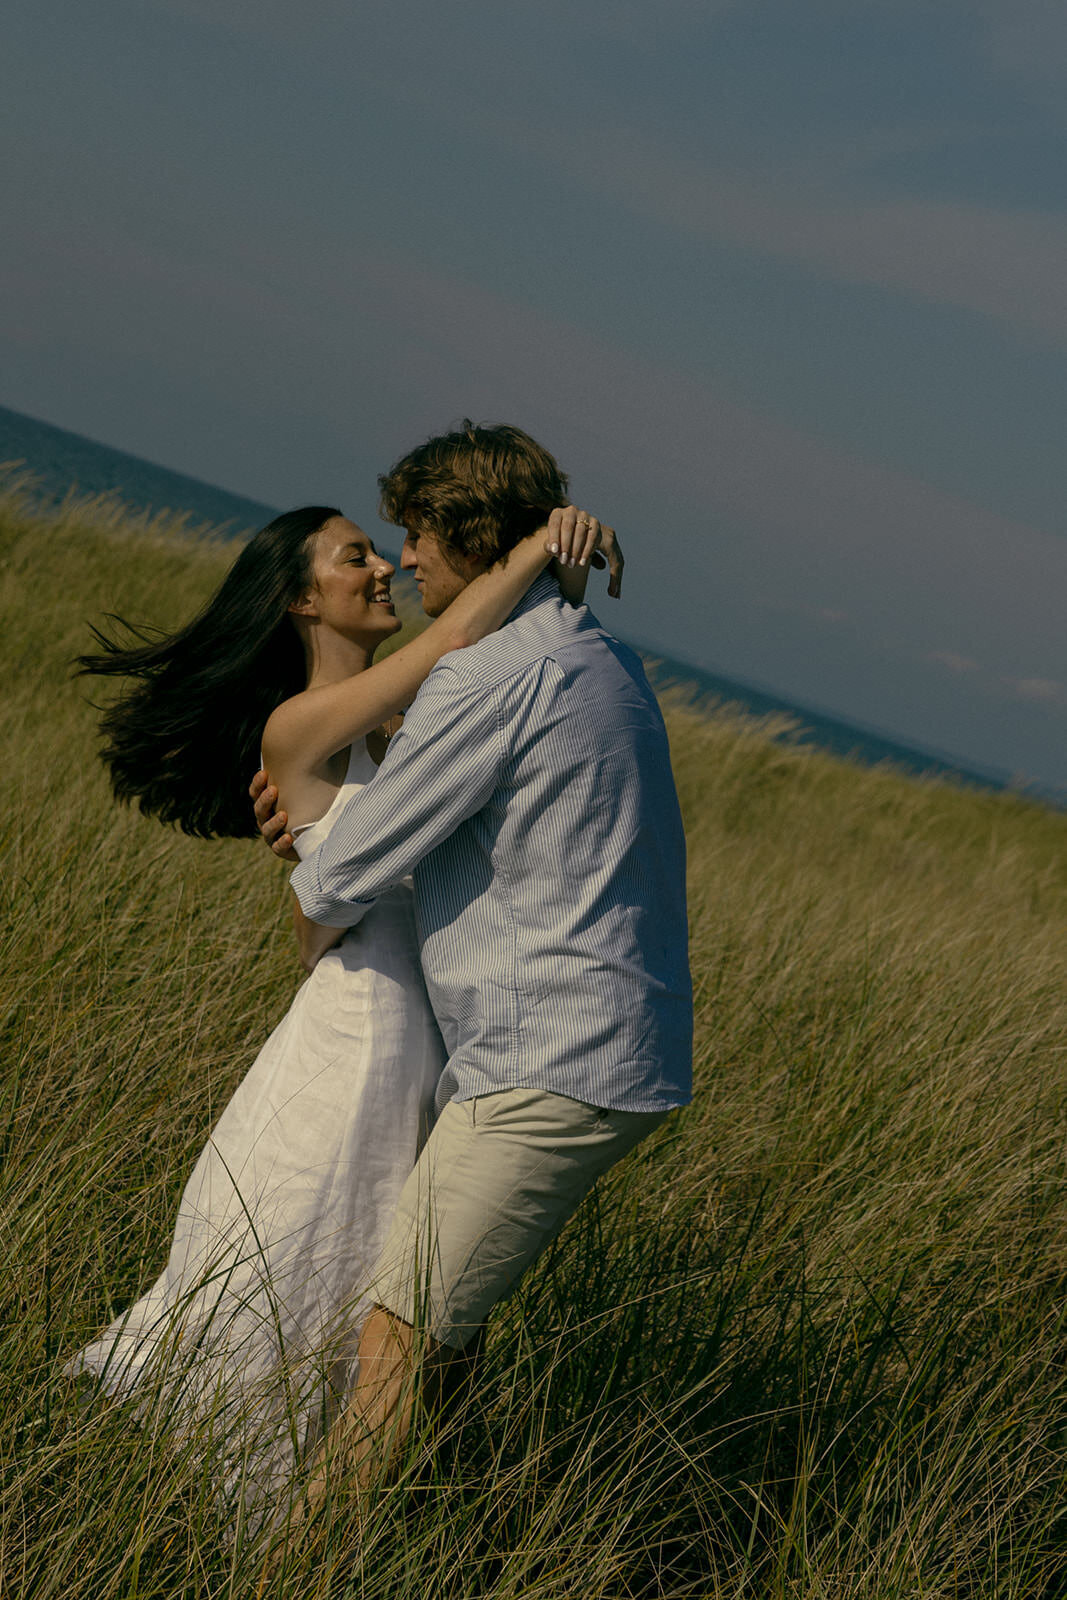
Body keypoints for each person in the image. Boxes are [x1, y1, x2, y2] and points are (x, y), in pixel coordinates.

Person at [69, 490, 612, 1521]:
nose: (380, 571)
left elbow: (504, 695)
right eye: (352, 558)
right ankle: (196, 1522)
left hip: (430, 1057)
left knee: (383, 1310)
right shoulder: (297, 727)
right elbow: (459, 632)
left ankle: (328, 1521)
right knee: (293, 1276)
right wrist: (542, 537)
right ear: (299, 604)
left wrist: (566, 580)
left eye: (379, 553)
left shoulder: (416, 723)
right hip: (350, 1051)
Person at [252, 421, 693, 1528]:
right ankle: (453, 1537)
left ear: (468, 537)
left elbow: (341, 871)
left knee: (395, 1337)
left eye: (414, 534)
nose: (403, 558)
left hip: (544, 1066)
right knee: (445, 1345)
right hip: (597, 1054)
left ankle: (285, 1573)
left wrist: (309, 823)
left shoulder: (494, 677)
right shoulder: (594, 654)